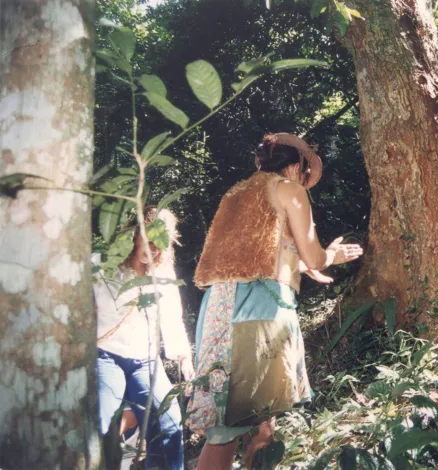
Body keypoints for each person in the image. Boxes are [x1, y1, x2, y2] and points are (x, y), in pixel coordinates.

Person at [187, 133, 364, 470]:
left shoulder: (237, 192)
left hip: (220, 306)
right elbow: (313, 254)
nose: (304, 182)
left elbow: (253, 257)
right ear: (296, 165)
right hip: (257, 309)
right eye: (305, 174)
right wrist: (331, 256)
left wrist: (301, 266)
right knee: (231, 426)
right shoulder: (289, 189)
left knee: (256, 418)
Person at [94, 207, 194, 470]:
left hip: (145, 362)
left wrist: (184, 357)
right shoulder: (103, 264)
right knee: (101, 423)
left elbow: (172, 318)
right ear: (135, 234)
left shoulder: (163, 273)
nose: (153, 250)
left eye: (160, 244)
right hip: (105, 356)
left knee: (169, 423)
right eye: (148, 240)